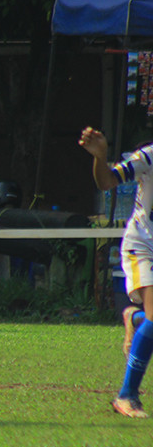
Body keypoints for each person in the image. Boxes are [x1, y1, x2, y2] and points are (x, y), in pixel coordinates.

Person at [80, 125, 153, 418]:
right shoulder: (148, 157)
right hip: (144, 245)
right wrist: (100, 156)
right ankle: (127, 396)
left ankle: (135, 318)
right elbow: (107, 182)